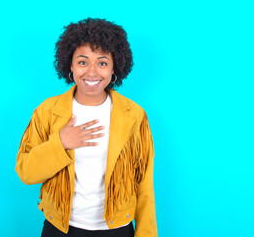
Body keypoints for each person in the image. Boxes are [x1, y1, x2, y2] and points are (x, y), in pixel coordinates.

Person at [15, 18, 158, 237]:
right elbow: (25, 172)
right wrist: (60, 144)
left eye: (102, 63)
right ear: (70, 65)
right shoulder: (47, 111)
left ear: (114, 68)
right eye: (83, 62)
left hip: (117, 230)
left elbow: (144, 184)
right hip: (60, 229)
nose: (92, 72)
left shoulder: (134, 116)